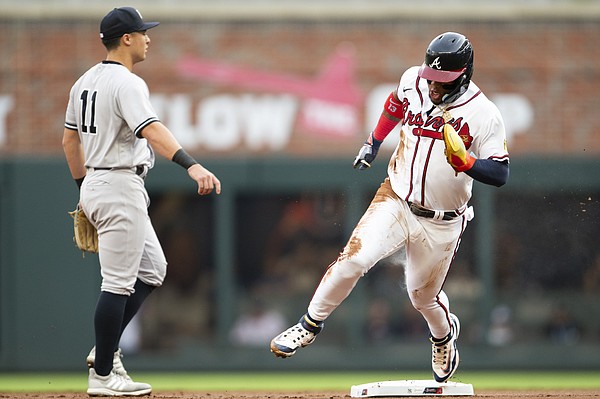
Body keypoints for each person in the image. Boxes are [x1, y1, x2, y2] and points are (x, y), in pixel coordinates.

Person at [270, 32, 509, 383]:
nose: (432, 85)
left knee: (422, 297)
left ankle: (443, 337)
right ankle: (309, 324)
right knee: (354, 259)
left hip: (443, 220)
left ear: (464, 75)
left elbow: (501, 172)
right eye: (431, 76)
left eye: (442, 81)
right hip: (396, 197)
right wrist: (373, 142)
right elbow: (395, 103)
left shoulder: (484, 113)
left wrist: (468, 163)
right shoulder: (414, 79)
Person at [62, 6, 221, 396]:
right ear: (127, 39)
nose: (149, 38)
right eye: (144, 33)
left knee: (153, 270)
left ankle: (103, 351)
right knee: (117, 284)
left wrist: (84, 187)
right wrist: (192, 165)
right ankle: (102, 374)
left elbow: (69, 141)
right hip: (118, 184)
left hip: (99, 182)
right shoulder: (127, 83)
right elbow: (150, 128)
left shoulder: (83, 82)